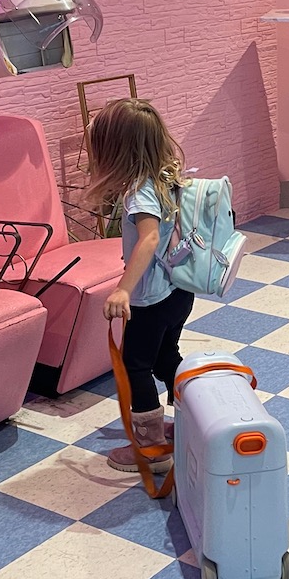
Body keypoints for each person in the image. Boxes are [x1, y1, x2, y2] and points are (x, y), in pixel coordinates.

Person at [88, 99, 196, 476]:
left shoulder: (139, 191)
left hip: (151, 298)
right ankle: (192, 424)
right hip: (179, 291)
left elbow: (148, 239)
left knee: (136, 365)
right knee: (167, 357)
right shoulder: (168, 176)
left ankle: (152, 448)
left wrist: (122, 290)